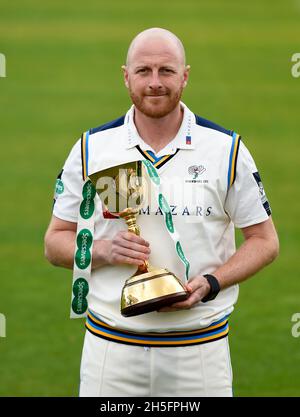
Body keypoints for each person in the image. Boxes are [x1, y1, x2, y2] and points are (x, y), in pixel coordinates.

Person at [44, 27, 279, 397]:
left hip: (200, 354)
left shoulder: (225, 149)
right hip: (111, 354)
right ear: (126, 76)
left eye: (166, 71)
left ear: (185, 75)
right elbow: (54, 242)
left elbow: (265, 241)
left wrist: (212, 283)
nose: (155, 83)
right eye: (144, 71)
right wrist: (104, 252)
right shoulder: (92, 148)